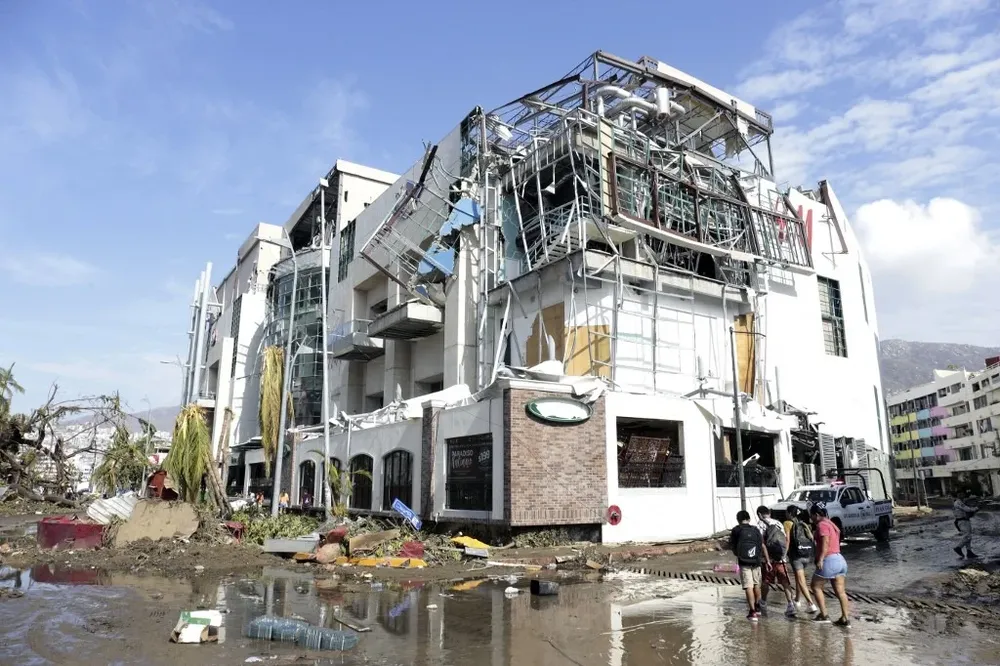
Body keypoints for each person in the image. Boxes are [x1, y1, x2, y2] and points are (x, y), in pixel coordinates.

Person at [809, 502, 850, 627]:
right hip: (840, 559)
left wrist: (820, 559)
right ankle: (845, 618)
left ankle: (824, 615)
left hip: (829, 560)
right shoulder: (831, 523)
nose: (811, 519)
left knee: (815, 586)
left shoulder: (822, 525)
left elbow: (825, 543)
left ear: (816, 515)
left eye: (811, 516)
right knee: (840, 592)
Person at [757, 505, 797, 617]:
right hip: (781, 558)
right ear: (769, 513)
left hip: (768, 560)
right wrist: (784, 555)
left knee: (766, 581)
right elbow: (784, 540)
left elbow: (762, 544)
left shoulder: (760, 525)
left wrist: (766, 560)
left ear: (759, 514)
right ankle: (790, 605)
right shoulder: (778, 523)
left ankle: (763, 602)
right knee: (785, 581)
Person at [783, 505, 819, 614]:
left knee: (801, 580)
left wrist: (784, 554)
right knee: (799, 578)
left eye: (786, 512)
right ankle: (797, 600)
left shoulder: (787, 523)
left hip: (796, 556)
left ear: (789, 513)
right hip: (807, 554)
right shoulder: (804, 523)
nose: (785, 514)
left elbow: (788, 540)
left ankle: (811, 604)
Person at [731, 510, 765, 621]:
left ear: (738, 520)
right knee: (756, 585)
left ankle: (752, 612)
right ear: (749, 519)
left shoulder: (736, 530)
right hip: (756, 561)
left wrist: (738, 554)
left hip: (744, 562)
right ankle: (758, 607)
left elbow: (733, 547)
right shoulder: (755, 529)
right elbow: (761, 544)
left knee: (748, 586)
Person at [953, 490, 980, 559]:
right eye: (960, 494)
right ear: (958, 495)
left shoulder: (961, 502)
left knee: (968, 536)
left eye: (963, 494)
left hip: (965, 520)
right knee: (967, 536)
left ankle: (969, 551)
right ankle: (958, 547)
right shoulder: (958, 502)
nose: (962, 495)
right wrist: (976, 508)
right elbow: (967, 509)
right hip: (962, 521)